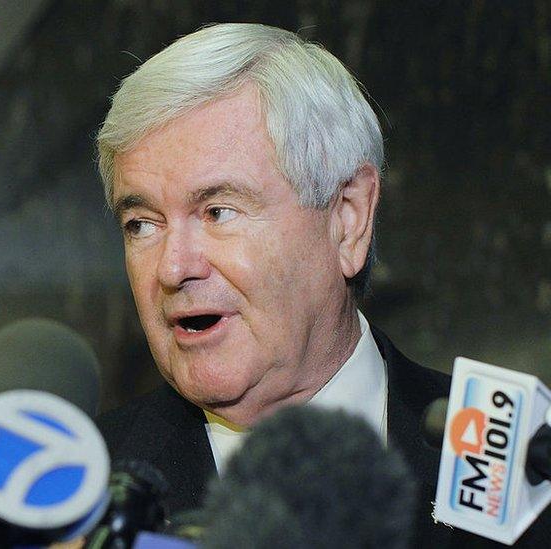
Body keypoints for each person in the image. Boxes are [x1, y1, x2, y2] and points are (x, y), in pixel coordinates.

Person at [94, 23, 547, 547]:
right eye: (142, 225)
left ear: (347, 219)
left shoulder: (526, 466)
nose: (173, 268)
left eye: (218, 211)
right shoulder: (78, 501)